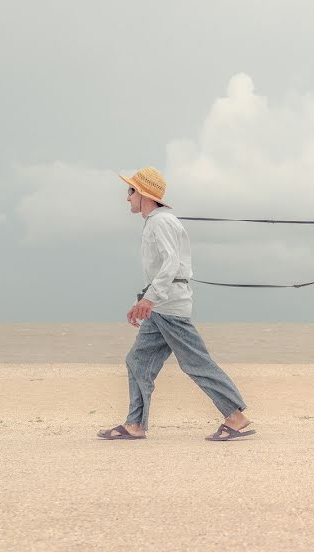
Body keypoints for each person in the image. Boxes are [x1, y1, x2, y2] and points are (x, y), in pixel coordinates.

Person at [97, 166, 255, 442]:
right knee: (137, 361)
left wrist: (150, 298)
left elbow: (170, 264)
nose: (127, 197)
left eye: (130, 191)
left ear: (144, 194)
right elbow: (165, 266)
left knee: (195, 362)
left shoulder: (161, 223)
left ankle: (236, 417)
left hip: (169, 305)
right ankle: (135, 424)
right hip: (161, 306)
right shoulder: (157, 222)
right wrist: (146, 300)